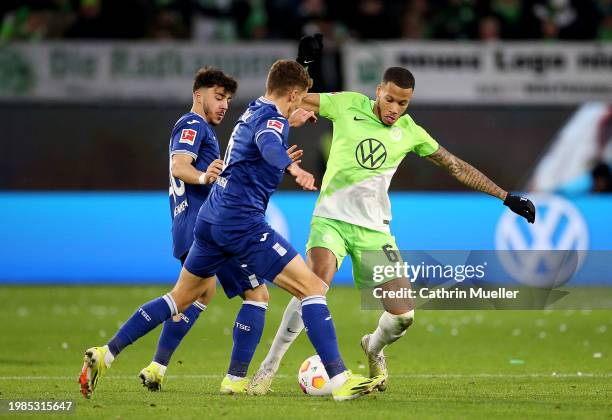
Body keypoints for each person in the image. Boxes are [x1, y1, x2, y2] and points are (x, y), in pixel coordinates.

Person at [79, 59, 384, 402]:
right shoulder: (268, 121)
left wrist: (287, 131)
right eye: (301, 97)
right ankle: (340, 379)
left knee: (180, 298)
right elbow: (269, 143)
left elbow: (261, 144)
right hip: (241, 222)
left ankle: (107, 353)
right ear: (295, 93)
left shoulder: (255, 109)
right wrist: (293, 167)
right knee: (311, 287)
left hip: (210, 219)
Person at [250, 42, 536, 395]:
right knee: (314, 283)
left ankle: (373, 347)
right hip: (331, 221)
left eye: (404, 103)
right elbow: (289, 95)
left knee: (403, 316)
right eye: (390, 100)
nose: (395, 109)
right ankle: (268, 368)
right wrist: (302, 63)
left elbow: (455, 165)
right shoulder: (347, 104)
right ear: (378, 92)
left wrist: (506, 196)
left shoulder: (411, 132)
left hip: (374, 231)